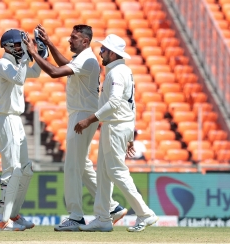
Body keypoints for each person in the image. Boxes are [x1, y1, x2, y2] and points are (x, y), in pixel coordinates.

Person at [22, 25, 127, 231]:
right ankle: (112, 207)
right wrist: (50, 43)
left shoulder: (87, 59)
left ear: (85, 41)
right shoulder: (84, 57)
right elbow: (64, 64)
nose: (70, 40)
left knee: (72, 166)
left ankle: (76, 216)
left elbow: (54, 72)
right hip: (82, 112)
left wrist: (34, 52)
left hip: (82, 115)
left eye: (74, 38)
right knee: (83, 165)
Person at [73, 34, 158, 232]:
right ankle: (103, 218)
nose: (100, 52)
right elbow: (132, 105)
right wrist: (130, 137)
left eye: (103, 50)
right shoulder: (123, 71)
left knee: (116, 172)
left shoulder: (116, 73)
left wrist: (89, 120)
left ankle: (145, 214)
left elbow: (114, 103)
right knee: (103, 173)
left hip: (115, 126)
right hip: (120, 126)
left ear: (112, 53)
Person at [0, 29, 43, 231]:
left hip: (14, 119)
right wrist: (27, 57)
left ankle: (13, 215)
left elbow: (36, 73)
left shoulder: (13, 64)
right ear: (9, 46)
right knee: (12, 170)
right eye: (20, 45)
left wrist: (39, 54)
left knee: (26, 170)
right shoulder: (4, 64)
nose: (22, 48)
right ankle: (1, 221)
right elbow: (20, 78)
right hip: (5, 118)